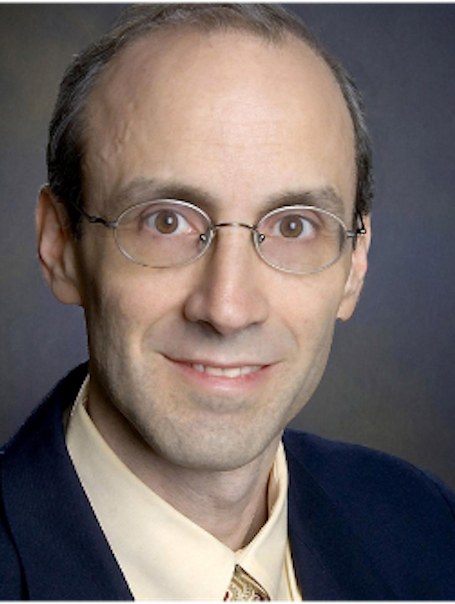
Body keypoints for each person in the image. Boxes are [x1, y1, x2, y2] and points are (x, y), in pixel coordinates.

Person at [1, 1, 454, 602]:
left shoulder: (425, 528)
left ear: (355, 266)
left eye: (293, 226)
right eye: (165, 221)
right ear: (61, 245)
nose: (227, 309)